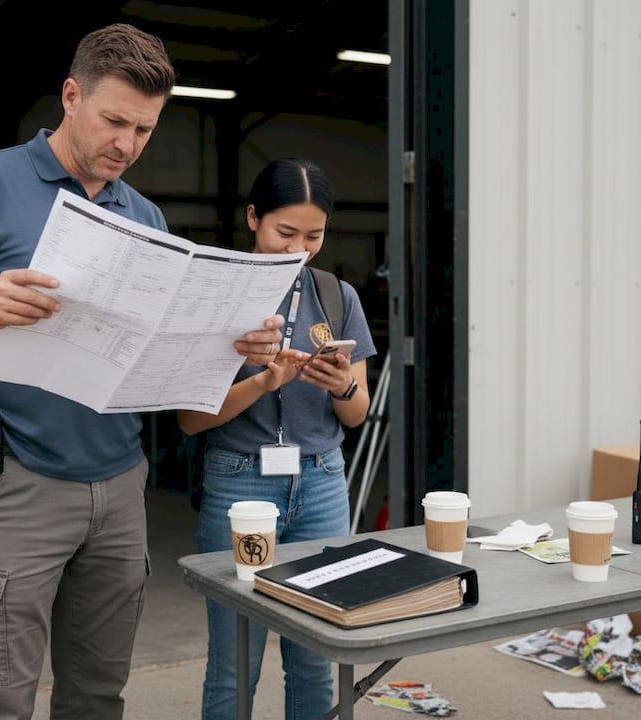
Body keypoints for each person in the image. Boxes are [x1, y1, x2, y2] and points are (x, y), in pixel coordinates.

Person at [0, 24, 285, 720]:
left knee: (97, 697)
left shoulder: (144, 215)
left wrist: (235, 345)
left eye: (144, 129)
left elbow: (162, 358)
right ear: (71, 97)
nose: (127, 145)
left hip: (118, 484)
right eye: (114, 121)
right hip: (13, 483)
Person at [176, 158, 378, 720]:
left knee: (317, 654)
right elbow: (191, 421)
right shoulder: (213, 296)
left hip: (321, 484)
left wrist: (341, 386)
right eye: (284, 233)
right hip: (240, 486)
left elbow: (358, 414)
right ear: (252, 218)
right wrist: (265, 380)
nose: (300, 248)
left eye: (314, 236)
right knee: (236, 658)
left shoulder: (337, 297)